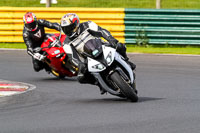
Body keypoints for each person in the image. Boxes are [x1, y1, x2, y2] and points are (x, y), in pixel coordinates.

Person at [60, 13, 136, 94]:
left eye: (70, 28)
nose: (68, 31)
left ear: (76, 24)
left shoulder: (87, 25)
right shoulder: (66, 43)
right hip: (88, 58)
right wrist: (80, 64)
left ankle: (126, 61)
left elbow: (102, 31)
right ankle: (99, 84)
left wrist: (111, 39)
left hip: (101, 46)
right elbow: (73, 57)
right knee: (81, 78)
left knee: (120, 46)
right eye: (65, 29)